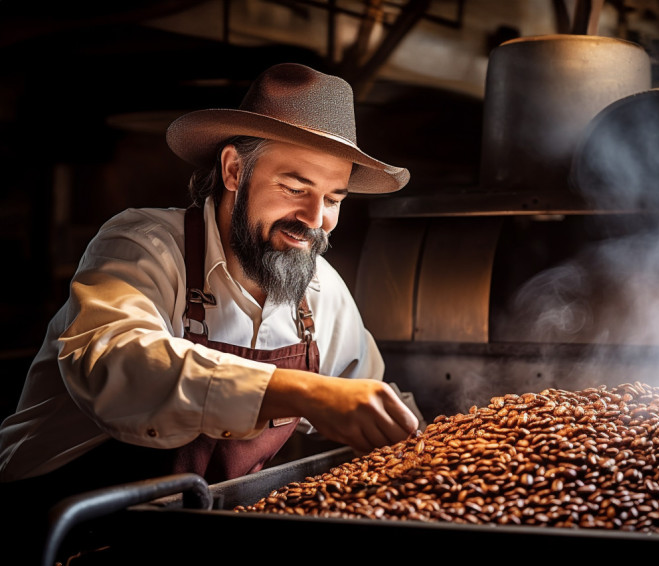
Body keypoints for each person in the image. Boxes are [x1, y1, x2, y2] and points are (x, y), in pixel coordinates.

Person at [0, 62, 419, 562]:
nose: (315, 220)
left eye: (333, 198)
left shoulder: (320, 291)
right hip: (60, 529)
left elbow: (367, 399)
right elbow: (116, 365)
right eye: (295, 187)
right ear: (234, 171)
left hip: (194, 536)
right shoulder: (143, 245)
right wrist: (305, 391)